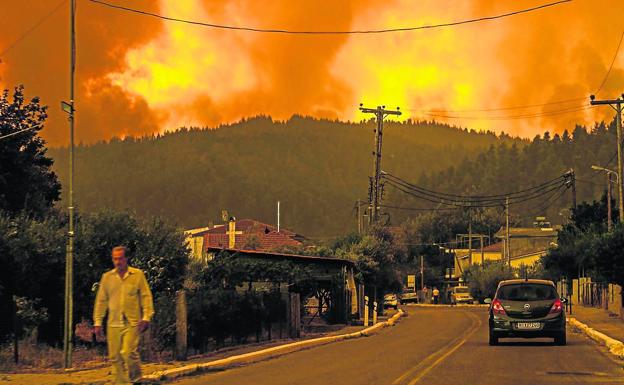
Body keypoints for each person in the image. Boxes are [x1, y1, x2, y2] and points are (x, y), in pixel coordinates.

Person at [94, 246, 154, 385]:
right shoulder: (107, 278)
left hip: (132, 322)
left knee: (127, 352)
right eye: (115, 259)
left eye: (120, 258)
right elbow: (101, 301)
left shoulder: (137, 275)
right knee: (115, 357)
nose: (118, 262)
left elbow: (146, 297)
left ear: (126, 259)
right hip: (113, 323)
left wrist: (146, 317)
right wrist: (97, 321)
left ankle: (136, 378)